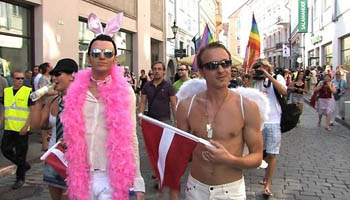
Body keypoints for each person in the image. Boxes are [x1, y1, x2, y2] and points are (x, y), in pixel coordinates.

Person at [61, 33, 145, 199]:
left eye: (107, 54)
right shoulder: (75, 90)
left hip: (111, 176)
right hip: (81, 174)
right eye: (96, 53)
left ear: (114, 59)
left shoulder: (125, 92)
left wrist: (137, 181)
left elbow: (130, 138)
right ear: (89, 58)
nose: (101, 57)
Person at [175, 42, 263, 200]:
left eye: (225, 63)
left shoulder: (247, 107)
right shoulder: (186, 106)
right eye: (213, 65)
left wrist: (230, 159)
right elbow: (179, 154)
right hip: (196, 189)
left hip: (231, 191)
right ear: (201, 71)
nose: (221, 70)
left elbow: (257, 157)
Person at [31, 58, 78, 200]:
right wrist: (38, 101)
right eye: (53, 75)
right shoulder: (53, 101)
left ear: (72, 76)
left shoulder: (82, 101)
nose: (54, 78)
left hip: (72, 161)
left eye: (58, 74)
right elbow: (35, 126)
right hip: (53, 158)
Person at [252, 58, 287, 196]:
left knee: (272, 154)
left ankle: (267, 185)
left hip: (273, 121)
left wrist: (268, 75)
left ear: (267, 67)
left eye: (261, 67)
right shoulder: (257, 81)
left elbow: (284, 91)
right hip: (259, 122)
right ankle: (266, 176)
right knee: (263, 153)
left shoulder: (277, 77)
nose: (259, 70)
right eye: (257, 68)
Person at [1, 70, 34, 189]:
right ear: (13, 79)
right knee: (5, 149)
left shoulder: (28, 91)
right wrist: (1, 122)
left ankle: (20, 178)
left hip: (22, 128)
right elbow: (5, 108)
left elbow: (32, 111)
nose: (20, 80)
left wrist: (26, 126)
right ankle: (23, 165)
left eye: (21, 78)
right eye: (17, 78)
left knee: (21, 153)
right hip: (9, 126)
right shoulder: (7, 91)